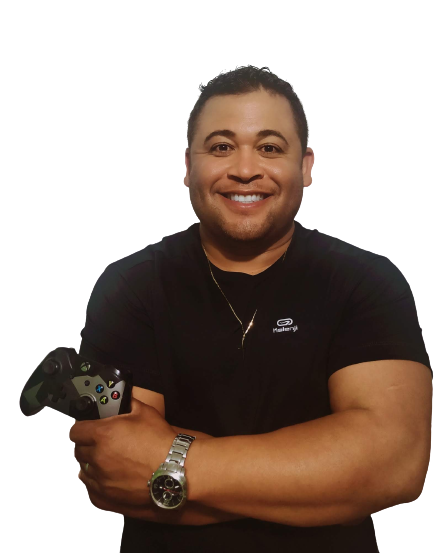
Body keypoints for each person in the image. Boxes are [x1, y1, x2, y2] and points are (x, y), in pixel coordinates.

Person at [80, 65, 430, 552]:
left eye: (269, 147)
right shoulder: (126, 285)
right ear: (188, 165)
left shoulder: (367, 280)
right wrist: (324, 478)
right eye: (221, 147)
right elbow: (115, 471)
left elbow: (395, 464)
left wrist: (173, 465)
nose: (245, 169)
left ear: (306, 166)